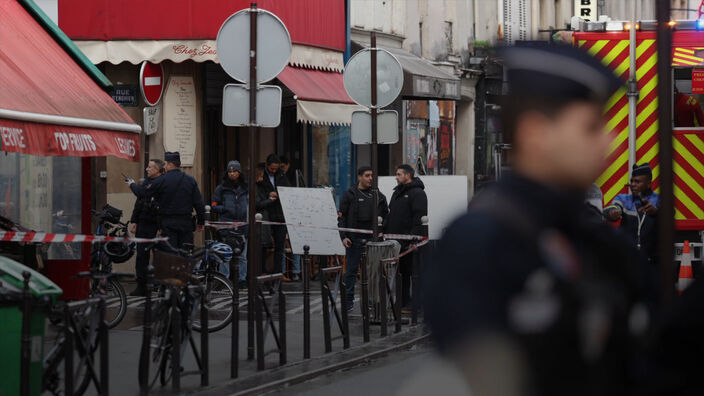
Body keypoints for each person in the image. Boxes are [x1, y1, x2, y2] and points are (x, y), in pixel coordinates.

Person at [424, 45, 649, 396]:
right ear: (535, 134)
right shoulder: (482, 243)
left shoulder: (595, 237)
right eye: (591, 127)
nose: (609, 142)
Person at [128, 151, 205, 250]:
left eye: (165, 164)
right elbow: (199, 203)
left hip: (168, 224)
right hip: (186, 223)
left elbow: (142, 194)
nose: (164, 167)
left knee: (170, 254)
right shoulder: (190, 180)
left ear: (170, 164)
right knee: (185, 254)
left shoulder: (162, 180)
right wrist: (201, 221)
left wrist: (132, 184)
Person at [339, 166, 388, 311]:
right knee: (351, 272)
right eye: (367, 175)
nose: (370, 178)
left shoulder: (378, 195)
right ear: (359, 177)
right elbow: (341, 218)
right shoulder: (350, 194)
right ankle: (348, 301)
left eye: (372, 176)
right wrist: (344, 237)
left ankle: (373, 301)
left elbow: (386, 215)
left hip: (372, 240)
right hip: (354, 239)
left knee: (374, 273)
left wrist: (381, 232)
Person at [383, 164, 427, 309]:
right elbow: (391, 214)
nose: (396, 177)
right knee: (401, 274)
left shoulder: (417, 193)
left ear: (408, 175)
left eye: (399, 174)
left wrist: (413, 238)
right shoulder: (397, 193)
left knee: (413, 273)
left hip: (409, 242)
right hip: (396, 241)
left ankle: (415, 304)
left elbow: (419, 217)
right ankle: (402, 301)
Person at [603, 163, 659, 262]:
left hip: (652, 261)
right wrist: (613, 212)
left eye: (637, 182)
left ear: (648, 183)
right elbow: (610, 209)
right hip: (628, 260)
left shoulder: (659, 200)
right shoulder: (623, 199)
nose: (632, 184)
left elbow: (670, 214)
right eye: (631, 181)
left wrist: (656, 212)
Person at [128, 159, 165, 296]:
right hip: (143, 224)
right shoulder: (147, 182)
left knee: (160, 256)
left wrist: (132, 185)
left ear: (158, 170)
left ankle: (160, 285)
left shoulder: (161, 183)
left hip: (156, 225)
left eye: (150, 167)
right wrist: (135, 221)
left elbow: (142, 193)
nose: (147, 169)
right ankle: (142, 285)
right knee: (141, 256)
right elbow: (140, 202)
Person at [211, 160, 248, 287]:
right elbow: (214, 205)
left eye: (234, 171)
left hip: (242, 225)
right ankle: (223, 280)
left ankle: (242, 280)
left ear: (239, 172)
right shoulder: (221, 188)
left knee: (242, 256)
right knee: (224, 254)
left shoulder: (246, 187)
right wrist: (225, 208)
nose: (232, 174)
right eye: (230, 171)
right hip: (226, 225)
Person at [257, 154, 292, 277]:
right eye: (272, 168)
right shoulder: (261, 175)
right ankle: (262, 271)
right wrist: (269, 194)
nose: (274, 171)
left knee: (280, 246)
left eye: (276, 168)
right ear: (267, 165)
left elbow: (287, 190)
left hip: (280, 214)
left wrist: (277, 193)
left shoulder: (282, 175)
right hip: (266, 214)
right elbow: (258, 193)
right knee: (264, 244)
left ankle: (278, 272)